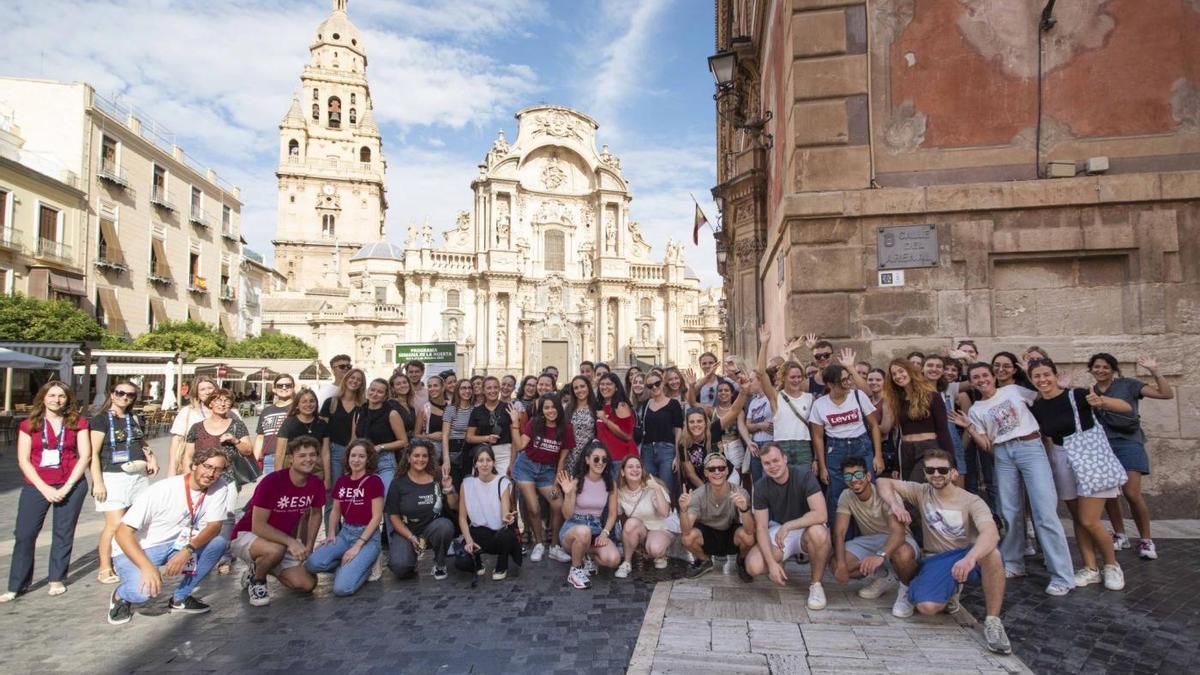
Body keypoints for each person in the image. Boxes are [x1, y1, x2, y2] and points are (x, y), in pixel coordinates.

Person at [954, 362, 1075, 595]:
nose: (981, 380)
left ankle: (1062, 575)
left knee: (1044, 511)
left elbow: (1043, 398)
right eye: (975, 377)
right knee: (1009, 510)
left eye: (984, 375)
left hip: (1029, 446)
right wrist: (969, 427)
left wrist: (1059, 386)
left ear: (993, 376)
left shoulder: (1013, 390)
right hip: (1002, 452)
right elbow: (987, 444)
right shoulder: (977, 409)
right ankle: (1013, 563)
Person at [876, 450, 1012, 655]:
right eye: (930, 470)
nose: (936, 474)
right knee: (927, 608)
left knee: (992, 553)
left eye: (942, 469)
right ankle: (950, 592)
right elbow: (883, 482)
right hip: (936, 559)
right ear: (925, 473)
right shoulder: (921, 491)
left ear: (954, 473)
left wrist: (970, 559)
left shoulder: (971, 501)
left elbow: (991, 534)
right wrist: (895, 505)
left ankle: (993, 622)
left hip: (966, 555)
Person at [1027, 359, 1128, 591]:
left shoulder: (1078, 395)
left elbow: (1126, 408)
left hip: (1089, 455)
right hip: (1062, 458)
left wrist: (1101, 401)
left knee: (1089, 520)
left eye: (1046, 374)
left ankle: (1112, 565)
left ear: (1055, 374)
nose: (1042, 380)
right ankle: (1090, 568)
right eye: (1037, 377)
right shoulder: (1038, 407)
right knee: (1078, 520)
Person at [106, 446, 231, 624]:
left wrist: (188, 550)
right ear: (194, 465)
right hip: (138, 548)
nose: (211, 474)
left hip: (176, 544)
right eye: (207, 466)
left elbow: (215, 526)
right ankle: (120, 596)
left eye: (218, 469)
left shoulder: (219, 486)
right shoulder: (163, 490)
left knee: (218, 543)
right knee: (143, 593)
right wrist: (147, 567)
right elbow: (122, 533)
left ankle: (180, 598)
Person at [2, 381, 92, 602]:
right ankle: (17, 584)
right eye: (51, 395)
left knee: (63, 533)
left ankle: (56, 578)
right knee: (24, 534)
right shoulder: (28, 425)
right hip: (36, 486)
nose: (56, 400)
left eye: (61, 396)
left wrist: (68, 486)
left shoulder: (78, 423)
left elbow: (85, 456)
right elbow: (23, 460)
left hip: (70, 485)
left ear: (67, 399)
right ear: (43, 397)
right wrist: (44, 488)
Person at [1089, 353, 1173, 560]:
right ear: (1091, 369)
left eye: (1106, 367)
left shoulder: (1129, 385)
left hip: (1128, 442)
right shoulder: (1090, 391)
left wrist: (1154, 371)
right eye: (1097, 367)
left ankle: (1146, 539)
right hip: (1103, 446)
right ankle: (1120, 534)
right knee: (1109, 494)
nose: (1101, 370)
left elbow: (1166, 394)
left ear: (1113, 369)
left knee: (1132, 493)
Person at [230, 436, 327, 606]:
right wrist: (291, 542)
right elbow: (258, 526)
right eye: (302, 455)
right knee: (275, 549)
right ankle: (258, 581)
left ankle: (262, 566)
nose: (308, 459)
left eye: (312, 455)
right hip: (248, 535)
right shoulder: (272, 482)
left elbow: (316, 514)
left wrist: (309, 546)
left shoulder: (315, 484)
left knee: (307, 584)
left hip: (281, 541)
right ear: (290, 459)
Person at [744, 443, 831, 610]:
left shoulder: (803, 475)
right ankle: (779, 563)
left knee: (819, 533)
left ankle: (816, 585)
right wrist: (771, 564)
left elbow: (821, 514)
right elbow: (761, 527)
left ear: (785, 459)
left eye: (775, 460)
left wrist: (789, 526)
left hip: (806, 527)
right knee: (753, 566)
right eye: (767, 463)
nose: (772, 466)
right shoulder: (761, 486)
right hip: (780, 530)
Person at [90, 381, 156, 585]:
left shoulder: (132, 417)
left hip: (137, 475)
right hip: (112, 475)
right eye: (120, 393)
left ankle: (127, 560)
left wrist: (151, 456)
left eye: (130, 395)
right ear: (112, 394)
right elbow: (93, 453)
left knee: (133, 522)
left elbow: (140, 441)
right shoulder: (100, 420)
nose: (124, 398)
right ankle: (104, 566)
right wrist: (98, 482)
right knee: (114, 524)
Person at [831, 456, 920, 605]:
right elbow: (839, 533)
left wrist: (880, 555)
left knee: (903, 555)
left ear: (868, 476)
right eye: (848, 476)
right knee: (837, 565)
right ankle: (885, 575)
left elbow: (898, 534)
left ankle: (906, 588)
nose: (854, 480)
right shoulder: (846, 495)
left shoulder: (884, 494)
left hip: (898, 538)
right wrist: (840, 564)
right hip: (871, 540)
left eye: (858, 475)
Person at [304, 439, 384, 595]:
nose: (356, 460)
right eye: (353, 456)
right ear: (347, 458)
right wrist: (332, 533)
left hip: (367, 536)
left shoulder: (374, 481)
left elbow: (377, 517)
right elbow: (335, 511)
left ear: (368, 459)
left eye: (361, 456)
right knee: (312, 564)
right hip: (345, 533)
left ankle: (367, 565)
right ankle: (349, 567)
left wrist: (357, 546)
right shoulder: (342, 481)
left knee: (342, 588)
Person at [809, 363, 884, 521]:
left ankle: (874, 532)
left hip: (861, 445)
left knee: (869, 489)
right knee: (837, 494)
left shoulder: (858, 396)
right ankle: (841, 540)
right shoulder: (819, 405)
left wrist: (878, 455)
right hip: (835, 449)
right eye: (843, 380)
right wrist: (822, 466)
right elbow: (818, 437)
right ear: (830, 384)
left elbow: (874, 425)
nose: (849, 383)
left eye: (849, 378)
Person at [512, 394, 574, 563]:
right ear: (542, 410)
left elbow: (562, 459)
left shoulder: (566, 428)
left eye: (553, 407)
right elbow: (520, 446)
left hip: (547, 471)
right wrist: (515, 424)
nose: (550, 411)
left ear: (558, 408)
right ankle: (539, 543)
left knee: (558, 504)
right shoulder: (535, 423)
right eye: (546, 408)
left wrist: (556, 484)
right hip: (526, 466)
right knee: (534, 508)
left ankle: (554, 546)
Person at [386, 440, 458, 579]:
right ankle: (411, 560)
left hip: (432, 528)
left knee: (445, 526)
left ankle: (440, 563)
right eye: (416, 455)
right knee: (400, 568)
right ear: (408, 457)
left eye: (424, 456)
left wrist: (449, 489)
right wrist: (411, 537)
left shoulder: (438, 477)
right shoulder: (398, 482)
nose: (420, 459)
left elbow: (455, 505)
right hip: (407, 531)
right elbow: (393, 516)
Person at [678, 452, 755, 581]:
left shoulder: (739, 493)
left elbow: (749, 530)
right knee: (687, 538)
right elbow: (686, 531)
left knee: (749, 536)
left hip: (730, 532)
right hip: (707, 535)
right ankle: (704, 560)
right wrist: (683, 510)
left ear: (727, 471)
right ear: (706, 473)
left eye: (721, 468)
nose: (717, 472)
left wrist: (744, 509)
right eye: (712, 469)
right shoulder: (698, 495)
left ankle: (741, 560)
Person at [558, 442, 621, 589]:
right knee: (583, 531)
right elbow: (567, 515)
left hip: (596, 528)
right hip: (573, 527)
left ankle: (587, 555)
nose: (600, 463)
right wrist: (568, 494)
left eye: (604, 459)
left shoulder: (610, 483)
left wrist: (605, 533)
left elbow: (612, 513)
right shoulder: (577, 481)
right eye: (596, 459)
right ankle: (575, 570)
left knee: (613, 559)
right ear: (587, 460)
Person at [880, 359, 955, 481]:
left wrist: (951, 462)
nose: (898, 376)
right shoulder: (898, 401)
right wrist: (896, 466)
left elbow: (943, 431)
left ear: (910, 371)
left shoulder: (932, 396)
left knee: (916, 487)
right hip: (905, 450)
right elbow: (900, 433)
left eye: (901, 371)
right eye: (894, 374)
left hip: (928, 449)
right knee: (908, 493)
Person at [459, 445, 520, 580]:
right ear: (475, 464)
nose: (485, 464)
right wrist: (469, 541)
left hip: (497, 534)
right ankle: (478, 563)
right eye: (480, 461)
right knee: (462, 562)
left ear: (494, 462)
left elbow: (505, 513)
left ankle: (502, 565)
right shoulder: (467, 484)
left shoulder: (502, 482)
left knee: (506, 535)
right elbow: (462, 518)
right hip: (477, 532)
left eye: (488, 460)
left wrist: (507, 518)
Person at [758, 328, 816, 468]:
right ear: (784, 378)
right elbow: (761, 373)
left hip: (804, 445)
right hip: (782, 445)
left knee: (804, 484)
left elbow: (815, 431)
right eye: (792, 377)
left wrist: (816, 459)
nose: (796, 380)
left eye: (799, 377)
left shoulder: (810, 398)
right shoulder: (776, 397)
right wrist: (764, 345)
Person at [615, 456, 674, 577]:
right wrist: (631, 539)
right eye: (630, 467)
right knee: (630, 524)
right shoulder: (620, 492)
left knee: (655, 549)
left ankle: (661, 552)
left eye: (638, 467)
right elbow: (622, 519)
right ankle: (627, 562)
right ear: (622, 472)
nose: (635, 470)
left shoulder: (652, 486)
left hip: (660, 528)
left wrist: (657, 489)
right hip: (641, 530)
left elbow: (665, 513)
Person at [351, 378, 408, 494]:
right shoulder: (359, 412)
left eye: (380, 392)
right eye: (372, 390)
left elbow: (403, 441)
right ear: (368, 390)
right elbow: (354, 439)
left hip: (384, 461)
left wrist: (380, 447)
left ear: (385, 395)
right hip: (362, 460)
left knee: (386, 500)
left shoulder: (392, 413)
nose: (375, 394)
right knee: (364, 501)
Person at [320, 367, 366, 495]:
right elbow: (322, 430)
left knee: (351, 493)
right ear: (346, 379)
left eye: (359, 380)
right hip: (334, 451)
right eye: (352, 378)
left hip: (355, 452)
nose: (355, 381)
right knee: (333, 492)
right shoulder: (331, 402)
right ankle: (331, 516)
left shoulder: (363, 406)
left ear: (362, 384)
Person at [635, 372, 684, 492]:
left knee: (666, 487)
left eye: (657, 383)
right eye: (650, 386)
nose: (654, 387)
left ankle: (669, 510)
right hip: (647, 450)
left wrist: (677, 455)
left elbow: (678, 429)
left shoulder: (673, 404)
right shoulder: (646, 404)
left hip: (667, 450)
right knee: (648, 486)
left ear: (662, 383)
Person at [274, 388, 331, 490]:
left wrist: (327, 478)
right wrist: (278, 477)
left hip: (315, 469)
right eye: (304, 401)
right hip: (293, 470)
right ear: (297, 405)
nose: (308, 404)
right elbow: (280, 453)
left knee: (314, 503)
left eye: (312, 401)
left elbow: (325, 453)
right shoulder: (289, 423)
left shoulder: (322, 424)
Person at [699, 377, 750, 487]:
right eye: (720, 390)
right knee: (719, 479)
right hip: (717, 448)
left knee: (736, 481)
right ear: (717, 394)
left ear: (732, 394)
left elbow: (741, 427)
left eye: (726, 390)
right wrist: (700, 381)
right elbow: (692, 402)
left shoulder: (739, 411)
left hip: (735, 447)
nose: (723, 392)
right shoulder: (711, 410)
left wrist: (749, 442)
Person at [166, 376, 216, 477]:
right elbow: (176, 440)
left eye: (210, 388)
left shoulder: (229, 412)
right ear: (196, 393)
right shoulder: (188, 412)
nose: (207, 392)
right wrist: (172, 468)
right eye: (202, 389)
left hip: (221, 467)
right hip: (193, 465)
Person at [467, 376, 516, 474]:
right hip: (483, 454)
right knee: (481, 486)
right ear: (483, 391)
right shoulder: (477, 411)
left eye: (495, 387)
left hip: (504, 454)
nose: (492, 391)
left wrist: (512, 462)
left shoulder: (509, 408)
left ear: (499, 389)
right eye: (489, 388)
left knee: (504, 486)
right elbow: (469, 438)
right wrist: (487, 438)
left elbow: (515, 438)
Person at [595, 373, 637, 479]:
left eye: (609, 384)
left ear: (616, 387)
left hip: (621, 459)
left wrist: (605, 419)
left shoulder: (621, 405)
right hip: (606, 459)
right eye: (602, 384)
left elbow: (627, 435)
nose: (605, 387)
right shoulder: (601, 406)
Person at [254, 374, 295, 474]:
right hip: (269, 460)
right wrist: (254, 462)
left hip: (292, 457)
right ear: (274, 389)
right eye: (280, 385)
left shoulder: (297, 408)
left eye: (288, 385)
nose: (284, 387)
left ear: (293, 387)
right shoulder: (266, 411)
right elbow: (260, 437)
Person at [442, 379, 475, 485]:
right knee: (454, 485)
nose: (467, 391)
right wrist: (446, 459)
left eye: (469, 388)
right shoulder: (450, 409)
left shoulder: (475, 410)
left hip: (470, 451)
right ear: (457, 391)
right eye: (463, 388)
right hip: (453, 451)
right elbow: (445, 435)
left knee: (468, 485)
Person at [564, 375, 598, 475]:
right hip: (570, 456)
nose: (579, 390)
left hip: (589, 455)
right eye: (576, 388)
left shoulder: (596, 407)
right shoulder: (568, 407)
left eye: (582, 386)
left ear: (588, 387)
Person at [679, 408, 716, 489]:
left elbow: (733, 411)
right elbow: (691, 475)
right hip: (699, 486)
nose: (696, 424)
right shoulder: (683, 445)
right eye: (691, 422)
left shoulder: (714, 435)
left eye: (699, 421)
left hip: (723, 479)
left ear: (705, 423)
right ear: (687, 425)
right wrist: (707, 492)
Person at [390, 371, 423, 454]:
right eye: (398, 384)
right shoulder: (390, 405)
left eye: (405, 382)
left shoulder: (410, 405)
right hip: (398, 449)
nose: (402, 385)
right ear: (393, 388)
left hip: (411, 447)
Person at [419, 375, 447, 465]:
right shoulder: (424, 409)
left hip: (451, 448)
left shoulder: (452, 406)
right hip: (433, 451)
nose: (432, 389)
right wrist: (430, 436)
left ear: (443, 387)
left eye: (435, 385)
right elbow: (415, 435)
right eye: (429, 386)